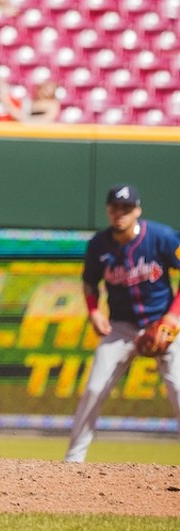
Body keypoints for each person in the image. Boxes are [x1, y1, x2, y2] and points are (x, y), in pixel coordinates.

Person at [65, 184, 180, 463]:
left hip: (162, 323)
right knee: (94, 388)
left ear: (138, 211)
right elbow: (89, 282)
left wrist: (174, 316)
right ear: (108, 210)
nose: (120, 213)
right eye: (115, 207)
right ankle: (72, 461)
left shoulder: (162, 237)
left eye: (126, 208)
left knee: (179, 388)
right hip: (120, 327)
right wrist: (94, 311)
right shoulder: (99, 245)